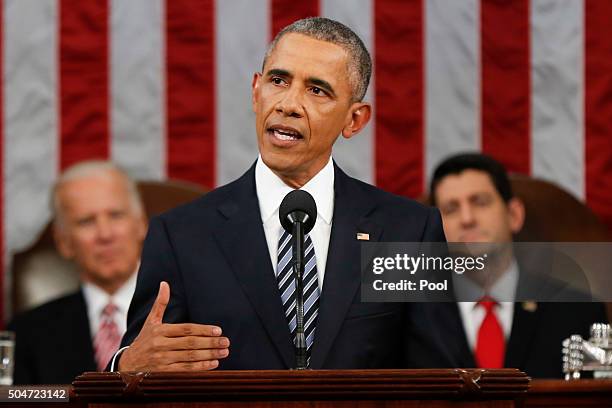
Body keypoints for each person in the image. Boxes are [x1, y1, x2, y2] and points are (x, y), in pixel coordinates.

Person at [114, 17, 446, 372]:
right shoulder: (180, 236)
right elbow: (140, 369)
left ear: (355, 120)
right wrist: (128, 367)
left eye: (317, 90)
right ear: (256, 91)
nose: (288, 104)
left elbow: (443, 379)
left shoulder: (408, 232)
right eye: (278, 80)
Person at [405, 153, 608, 378]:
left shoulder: (580, 310)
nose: (467, 218)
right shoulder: (407, 320)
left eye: (480, 202)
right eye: (451, 209)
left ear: (513, 214)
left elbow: (600, 396)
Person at [8, 161, 148, 384]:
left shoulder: (187, 316)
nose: (105, 235)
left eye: (115, 215)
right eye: (86, 222)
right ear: (63, 242)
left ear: (141, 224)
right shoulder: (27, 334)